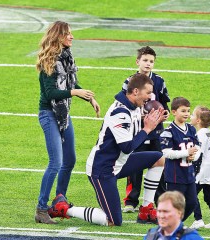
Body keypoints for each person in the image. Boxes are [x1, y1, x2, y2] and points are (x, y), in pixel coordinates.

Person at [35, 21, 100, 224]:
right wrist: (74, 92)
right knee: (56, 163)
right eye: (68, 34)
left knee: (69, 160)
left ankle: (58, 200)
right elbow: (50, 93)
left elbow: (70, 83)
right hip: (49, 114)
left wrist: (88, 97)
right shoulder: (50, 60)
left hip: (63, 116)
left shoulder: (66, 57)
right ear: (59, 36)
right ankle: (41, 209)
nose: (72, 37)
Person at [85, 73, 166, 226]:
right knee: (113, 221)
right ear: (136, 91)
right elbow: (128, 147)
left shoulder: (134, 105)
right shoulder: (120, 113)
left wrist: (149, 121)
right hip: (103, 169)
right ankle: (64, 208)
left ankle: (146, 209)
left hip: (119, 163)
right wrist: (147, 129)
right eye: (148, 92)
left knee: (158, 158)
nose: (150, 96)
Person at [121, 46, 170, 221]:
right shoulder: (129, 81)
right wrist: (138, 115)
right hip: (137, 130)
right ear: (137, 62)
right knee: (134, 164)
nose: (148, 64)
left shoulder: (160, 81)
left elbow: (165, 104)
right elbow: (125, 104)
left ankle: (158, 200)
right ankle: (131, 201)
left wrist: (164, 114)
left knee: (159, 163)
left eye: (151, 61)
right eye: (145, 60)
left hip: (156, 130)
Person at [160, 97, 200, 222]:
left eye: (188, 111)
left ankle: (177, 223)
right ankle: (169, 226)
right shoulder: (168, 131)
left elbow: (198, 147)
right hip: (175, 175)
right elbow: (166, 152)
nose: (187, 114)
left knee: (192, 203)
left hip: (189, 173)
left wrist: (194, 156)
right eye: (183, 111)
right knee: (174, 204)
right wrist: (185, 153)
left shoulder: (191, 129)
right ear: (174, 112)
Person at [190, 106, 210, 230]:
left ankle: (198, 220)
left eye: (193, 115)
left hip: (204, 170)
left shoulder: (201, 133)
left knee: (191, 193)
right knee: (208, 195)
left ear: (198, 120)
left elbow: (198, 152)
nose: (190, 117)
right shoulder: (208, 133)